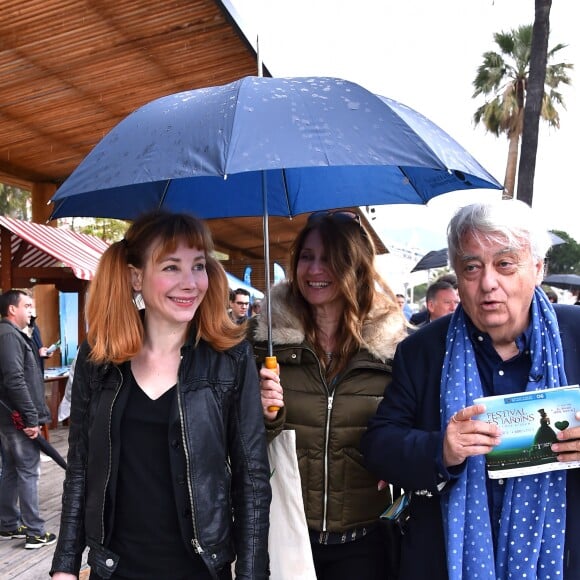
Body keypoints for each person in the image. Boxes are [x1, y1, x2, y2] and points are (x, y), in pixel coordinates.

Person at [361, 200, 580, 580]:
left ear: (538, 269)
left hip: (563, 556)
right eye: (472, 267)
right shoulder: (423, 350)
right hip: (446, 559)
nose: (488, 283)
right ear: (458, 277)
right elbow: (380, 446)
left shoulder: (576, 334)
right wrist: (440, 450)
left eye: (505, 264)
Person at [50, 211, 271, 580]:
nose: (190, 283)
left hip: (201, 569)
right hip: (115, 569)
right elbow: (81, 469)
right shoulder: (99, 357)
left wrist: (251, 575)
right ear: (136, 276)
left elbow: (251, 480)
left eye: (198, 266)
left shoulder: (231, 358)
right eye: (171, 267)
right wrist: (65, 565)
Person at [255, 210, 408, 580]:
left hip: (363, 544)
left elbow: (411, 430)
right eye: (307, 257)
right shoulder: (263, 345)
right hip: (282, 536)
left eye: (330, 258)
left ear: (355, 266)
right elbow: (234, 444)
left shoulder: (395, 351)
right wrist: (264, 416)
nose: (314, 270)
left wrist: (397, 454)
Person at [0, 289, 56, 549]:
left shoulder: (11, 335)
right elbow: (14, 379)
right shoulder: (9, 336)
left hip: (10, 418)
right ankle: (35, 532)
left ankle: (9, 523)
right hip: (17, 419)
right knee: (27, 471)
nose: (31, 311)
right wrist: (31, 417)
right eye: (27, 305)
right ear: (12, 309)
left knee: (12, 470)